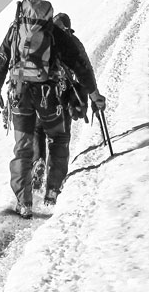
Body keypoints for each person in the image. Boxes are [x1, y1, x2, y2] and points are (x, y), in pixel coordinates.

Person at [0, 4, 99, 219]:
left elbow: (0, 60)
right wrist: (94, 96)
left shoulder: (16, 30)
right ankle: (52, 191)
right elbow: (80, 65)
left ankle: (24, 203)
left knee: (22, 148)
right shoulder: (56, 34)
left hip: (19, 94)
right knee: (59, 138)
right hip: (48, 95)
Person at [30, 13, 107, 192]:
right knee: (61, 136)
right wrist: (94, 95)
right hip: (64, 94)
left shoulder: (42, 40)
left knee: (38, 129)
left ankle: (38, 161)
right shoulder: (72, 42)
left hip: (41, 93)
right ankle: (54, 185)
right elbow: (84, 69)